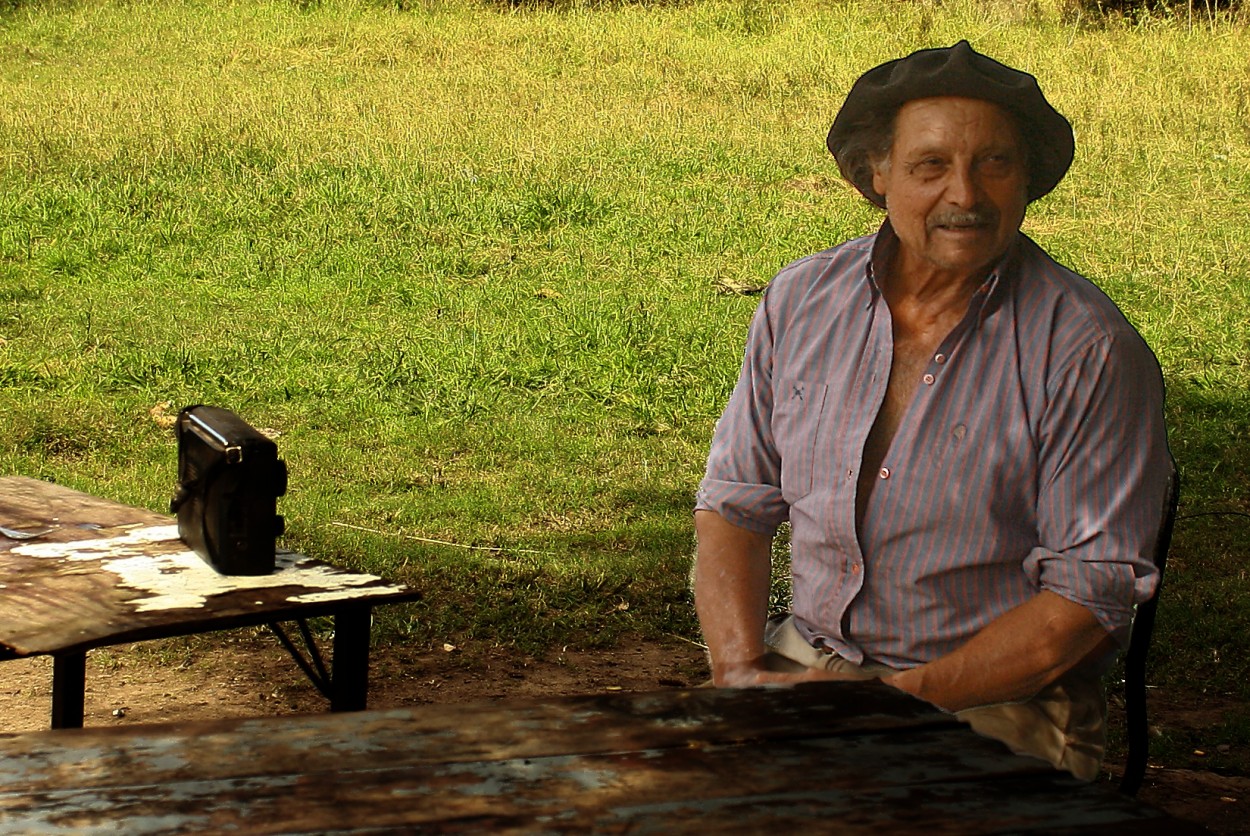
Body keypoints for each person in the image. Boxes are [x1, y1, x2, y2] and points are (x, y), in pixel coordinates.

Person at [692, 40, 1172, 780]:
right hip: (807, 668)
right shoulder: (802, 302)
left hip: (994, 703)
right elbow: (734, 504)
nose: (966, 195)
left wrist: (887, 705)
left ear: (1027, 180)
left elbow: (1084, 604)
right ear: (876, 173)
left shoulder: (1089, 350)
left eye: (994, 164)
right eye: (931, 166)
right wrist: (738, 674)